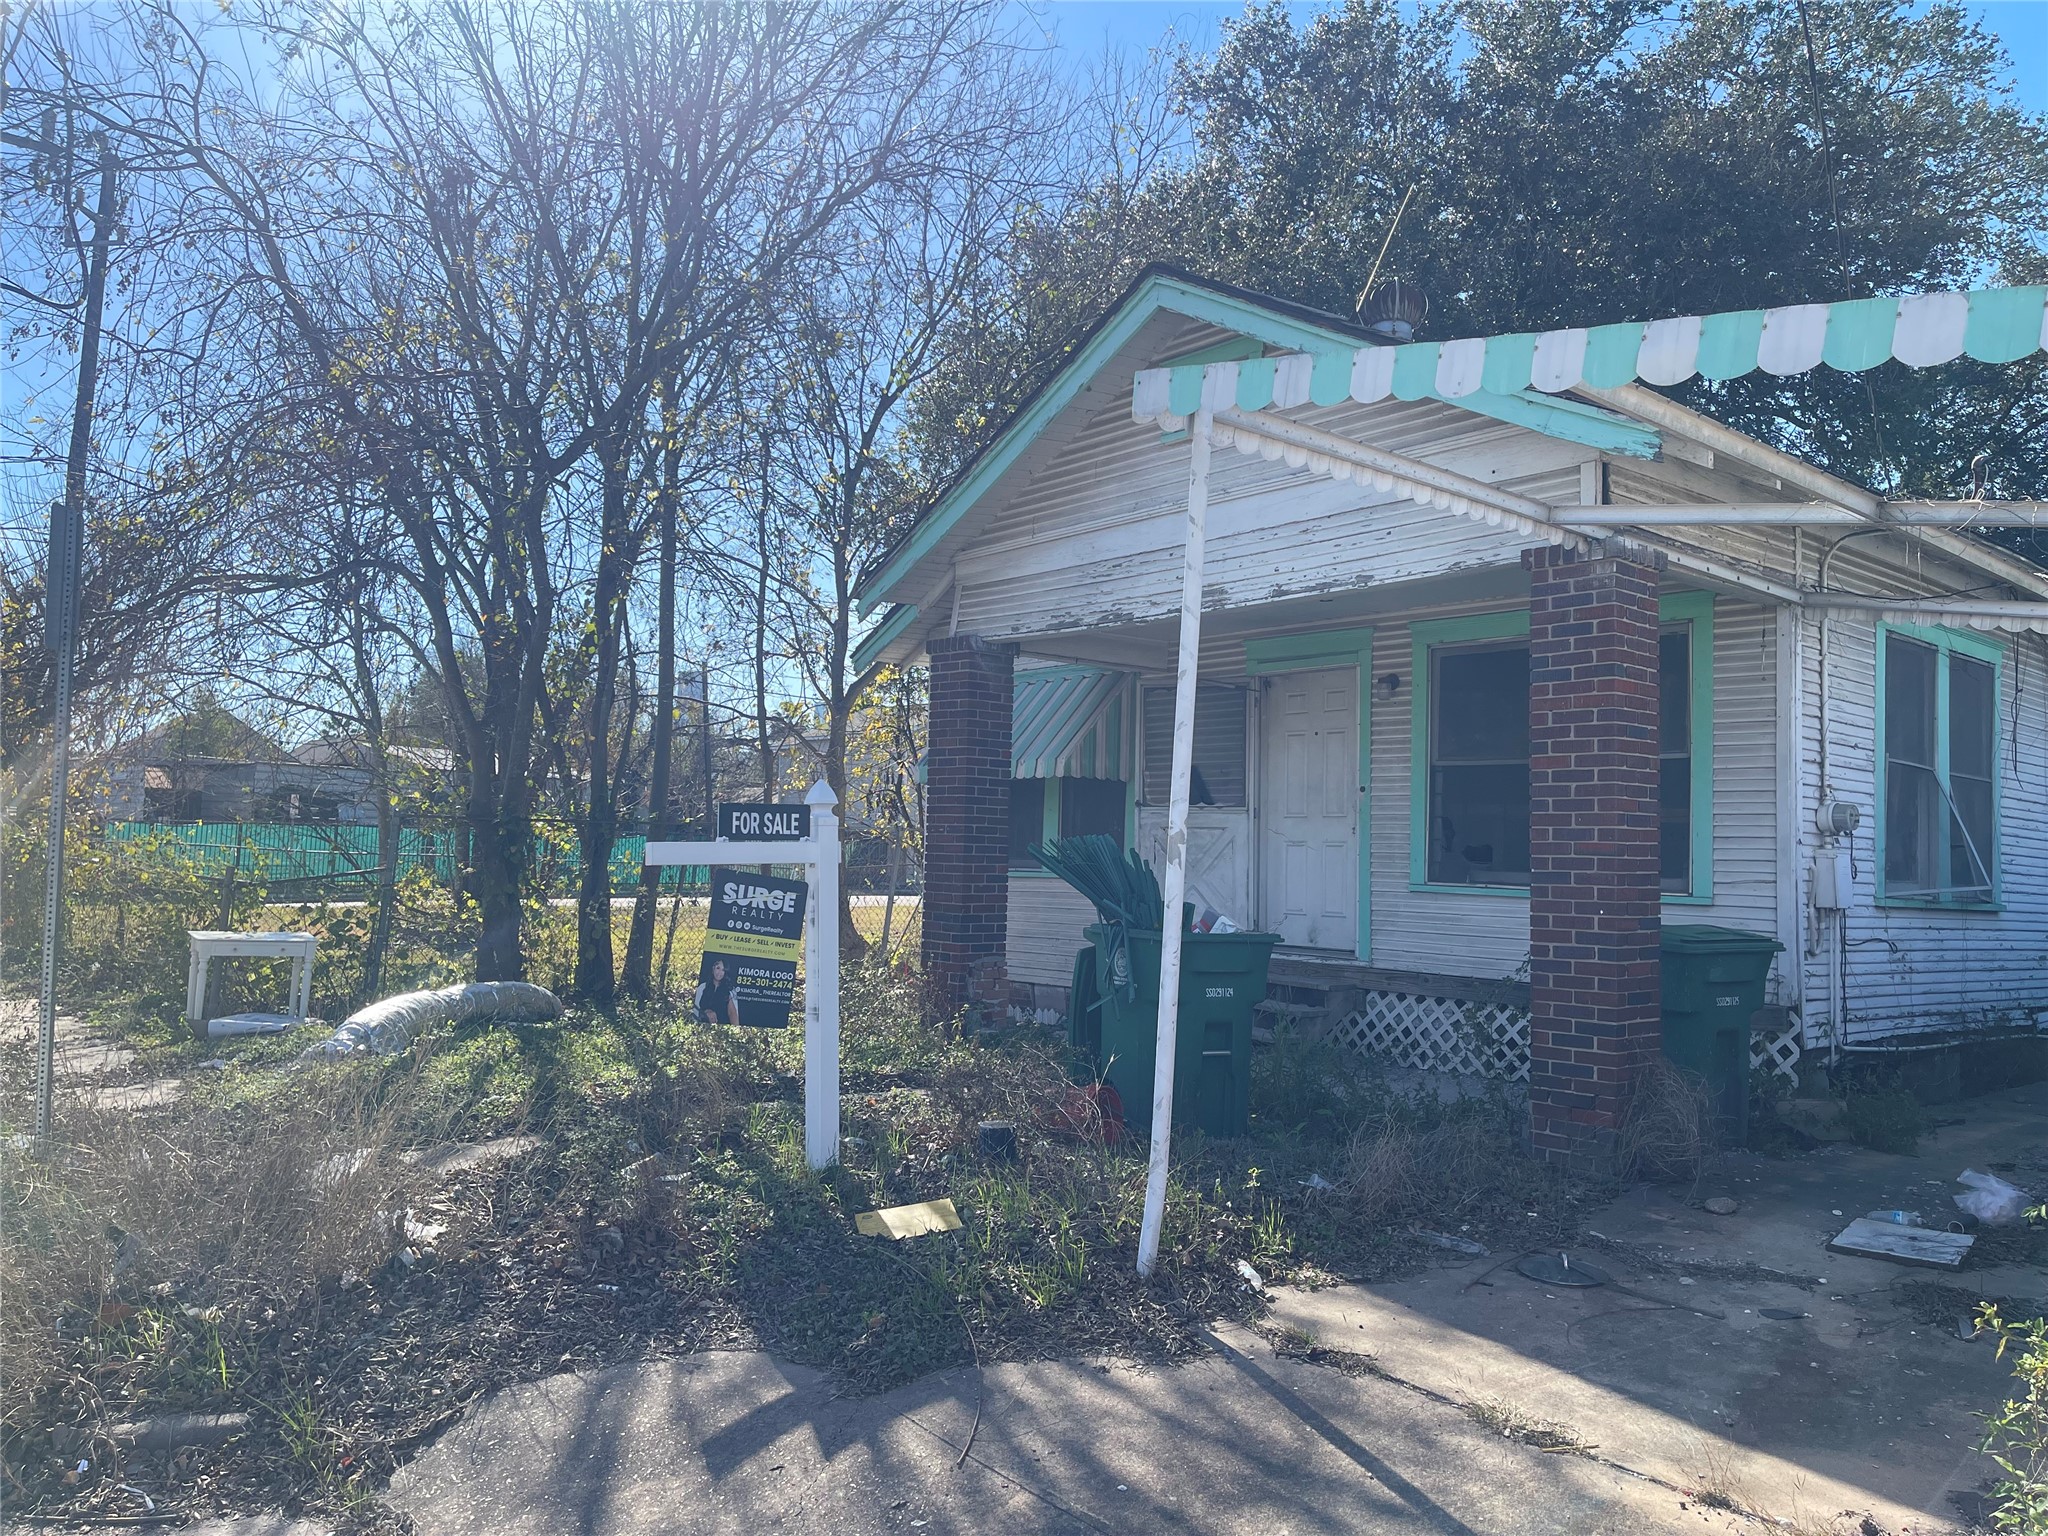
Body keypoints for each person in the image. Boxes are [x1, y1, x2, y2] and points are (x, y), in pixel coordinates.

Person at [695, 956, 740, 1026]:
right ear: (713, 969)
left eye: (723, 970)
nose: (720, 972)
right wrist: (706, 1012)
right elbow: (695, 1010)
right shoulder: (702, 987)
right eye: (718, 968)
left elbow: (733, 1014)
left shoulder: (730, 990)